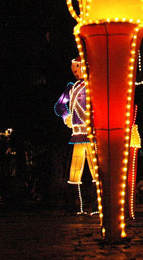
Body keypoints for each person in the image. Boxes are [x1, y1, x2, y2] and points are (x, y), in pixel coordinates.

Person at [54, 56, 95, 214]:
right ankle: (77, 206)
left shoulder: (92, 86)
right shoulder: (71, 88)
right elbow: (59, 106)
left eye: (77, 68)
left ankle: (96, 206)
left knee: (94, 170)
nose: (75, 72)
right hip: (77, 135)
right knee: (74, 172)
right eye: (74, 69)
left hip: (90, 134)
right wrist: (67, 116)